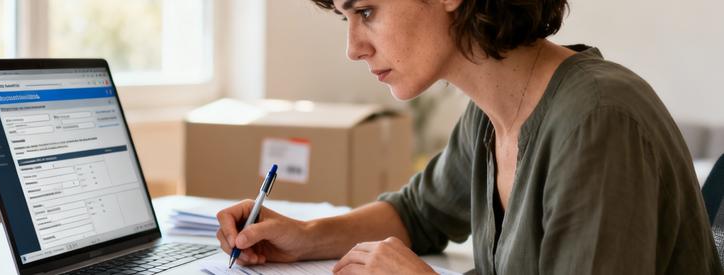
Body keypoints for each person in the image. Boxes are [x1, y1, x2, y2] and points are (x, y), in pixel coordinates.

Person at [215, 0, 722, 274]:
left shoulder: (599, 121)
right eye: (345, 18)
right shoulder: (490, 114)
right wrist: (304, 237)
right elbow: (418, 214)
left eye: (366, 12)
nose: (352, 48)